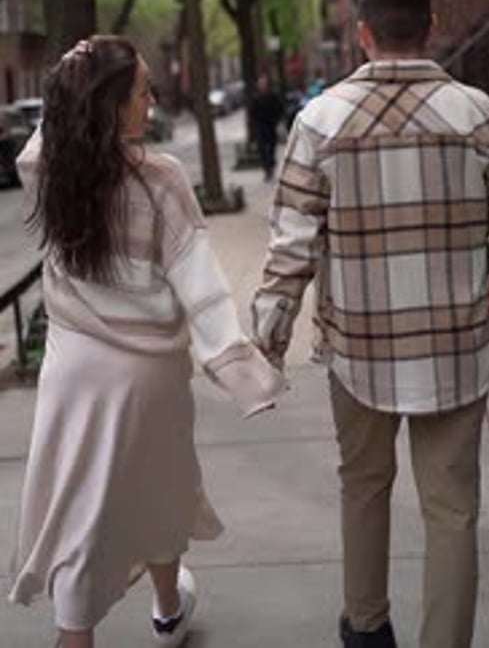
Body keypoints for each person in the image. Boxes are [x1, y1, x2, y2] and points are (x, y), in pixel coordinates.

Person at [250, 0, 489, 648]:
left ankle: (366, 626)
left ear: (362, 33)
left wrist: (264, 348)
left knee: (362, 486)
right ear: (432, 29)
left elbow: (290, 247)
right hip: (458, 348)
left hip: (358, 350)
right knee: (452, 510)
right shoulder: (482, 119)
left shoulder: (320, 123)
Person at [8, 35, 284, 648]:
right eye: (141, 92)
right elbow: (202, 286)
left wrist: (72, 68)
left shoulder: (53, 174)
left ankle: (106, 623)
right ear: (109, 105)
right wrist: (241, 368)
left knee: (84, 503)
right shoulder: (161, 179)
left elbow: (39, 141)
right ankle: (153, 613)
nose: (152, 103)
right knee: (161, 485)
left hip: (74, 368)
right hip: (149, 375)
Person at [250, 73, 284, 181]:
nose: (262, 86)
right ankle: (267, 169)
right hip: (261, 127)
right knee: (262, 149)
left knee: (271, 148)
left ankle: (271, 165)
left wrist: (276, 120)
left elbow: (280, 109)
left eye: (263, 84)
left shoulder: (273, 96)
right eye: (260, 84)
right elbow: (252, 112)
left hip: (271, 126)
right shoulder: (256, 97)